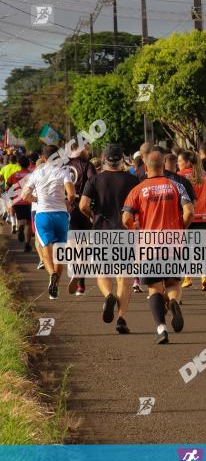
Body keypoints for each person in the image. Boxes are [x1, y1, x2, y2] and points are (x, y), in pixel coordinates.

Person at [122, 150, 194, 343]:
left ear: (146, 168)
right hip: (173, 243)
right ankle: (172, 302)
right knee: (172, 282)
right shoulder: (176, 185)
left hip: (149, 245)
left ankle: (161, 329)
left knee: (154, 288)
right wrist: (181, 228)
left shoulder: (138, 189)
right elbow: (189, 211)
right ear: (164, 165)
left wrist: (136, 230)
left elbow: (126, 218)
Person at [79, 144, 139, 335]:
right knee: (125, 278)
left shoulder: (95, 180)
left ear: (104, 160)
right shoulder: (132, 180)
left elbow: (83, 205)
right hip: (126, 232)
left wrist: (92, 216)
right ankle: (121, 318)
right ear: (122, 159)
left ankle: (108, 295)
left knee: (102, 273)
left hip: (100, 230)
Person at [21, 146, 76, 299]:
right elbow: (71, 194)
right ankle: (55, 286)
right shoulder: (63, 171)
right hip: (61, 215)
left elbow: (24, 195)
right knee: (60, 252)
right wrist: (67, 203)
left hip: (43, 215)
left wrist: (36, 199)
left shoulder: (36, 173)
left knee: (45, 250)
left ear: (44, 158)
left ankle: (51, 274)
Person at [178, 150, 206, 291]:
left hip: (187, 216)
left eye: (180, 161)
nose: (178, 164)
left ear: (187, 162)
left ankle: (188, 278)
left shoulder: (180, 176)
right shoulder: (204, 175)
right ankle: (204, 277)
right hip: (203, 216)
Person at [66, 142, 97, 296]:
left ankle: (75, 271)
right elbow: (94, 183)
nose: (88, 151)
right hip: (84, 208)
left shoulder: (64, 166)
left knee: (72, 245)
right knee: (83, 247)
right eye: (86, 149)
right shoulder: (87, 165)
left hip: (68, 208)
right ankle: (81, 284)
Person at [6, 155, 35, 252]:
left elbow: (8, 187)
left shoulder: (14, 175)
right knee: (29, 223)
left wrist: (10, 198)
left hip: (17, 201)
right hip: (30, 201)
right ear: (28, 164)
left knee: (21, 219)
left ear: (19, 164)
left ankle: (20, 227)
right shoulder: (32, 174)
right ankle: (27, 244)